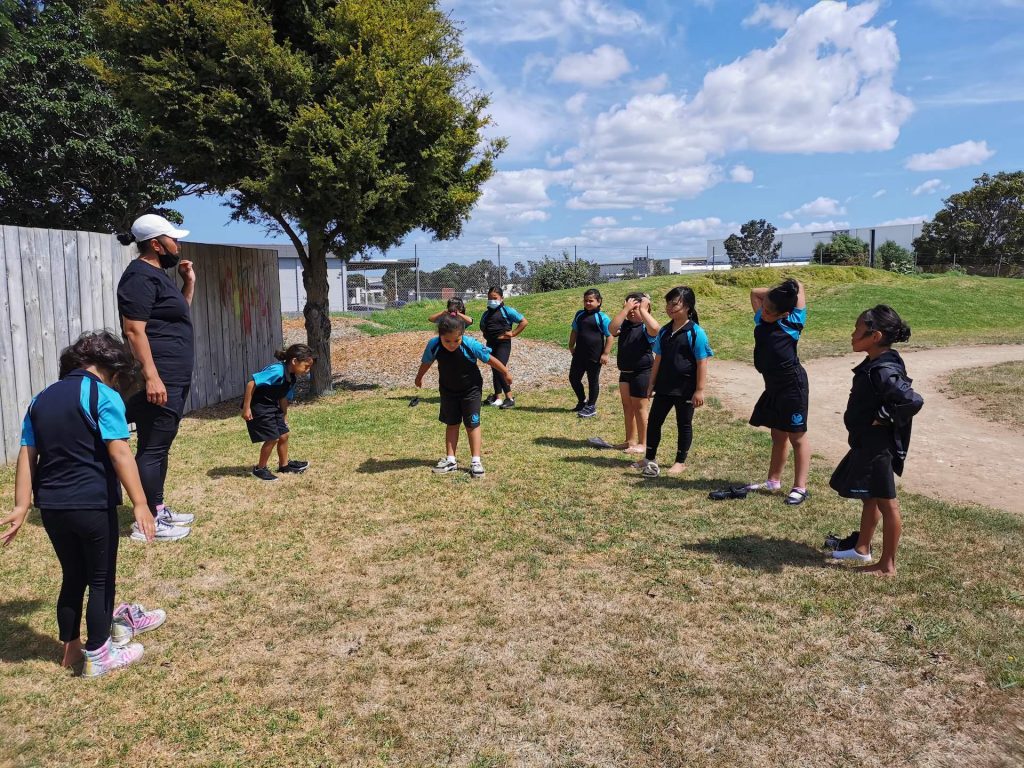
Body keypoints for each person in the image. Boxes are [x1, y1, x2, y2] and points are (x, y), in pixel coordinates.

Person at [0, 332, 166, 677]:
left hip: (52, 508)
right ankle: (100, 655)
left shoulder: (40, 399)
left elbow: (27, 455)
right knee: (101, 579)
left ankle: (72, 649)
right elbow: (120, 452)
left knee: (73, 575)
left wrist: (21, 506)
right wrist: (140, 503)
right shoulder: (102, 394)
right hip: (92, 504)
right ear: (111, 370)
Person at [116, 214, 195, 541]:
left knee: (160, 444)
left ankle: (157, 508)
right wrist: (151, 377)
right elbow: (133, 330)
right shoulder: (138, 277)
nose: (177, 245)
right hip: (160, 375)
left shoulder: (157, 275)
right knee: (152, 446)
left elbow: (177, 315)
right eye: (173, 239)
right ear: (155, 244)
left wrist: (188, 283)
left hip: (173, 374)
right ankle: (146, 521)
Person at [829, 306, 923, 576]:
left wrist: (883, 416)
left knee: (887, 503)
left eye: (857, 329)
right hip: (867, 443)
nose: (852, 334)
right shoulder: (879, 361)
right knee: (869, 497)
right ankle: (862, 547)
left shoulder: (883, 369)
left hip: (878, 447)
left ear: (875, 336)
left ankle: (887, 565)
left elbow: (912, 400)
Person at [415, 315, 512, 479]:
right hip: (448, 391)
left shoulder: (470, 344)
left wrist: (506, 372)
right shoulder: (434, 344)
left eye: (456, 340)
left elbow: (489, 359)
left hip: (471, 390)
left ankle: (476, 462)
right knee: (452, 423)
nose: (452, 344)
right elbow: (427, 362)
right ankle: (451, 460)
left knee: (472, 424)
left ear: (462, 335)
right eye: (447, 341)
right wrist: (419, 377)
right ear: (440, 336)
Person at [746, 278, 811, 505]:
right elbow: (754, 291)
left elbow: (800, 286)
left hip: (792, 386)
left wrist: (791, 291)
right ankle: (773, 481)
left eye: (769, 311)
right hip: (772, 386)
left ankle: (800, 488)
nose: (763, 313)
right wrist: (780, 292)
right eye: (763, 308)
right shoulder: (762, 318)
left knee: (797, 436)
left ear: (784, 313)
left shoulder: (792, 323)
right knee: (778, 434)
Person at [641, 287, 713, 478]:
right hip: (664, 386)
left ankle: (680, 462)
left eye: (675, 304)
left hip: (685, 389)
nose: (669, 308)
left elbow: (702, 362)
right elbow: (658, 358)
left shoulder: (696, 332)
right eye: (668, 304)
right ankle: (649, 458)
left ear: (688, 307)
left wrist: (699, 390)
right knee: (654, 422)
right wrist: (651, 383)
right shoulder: (664, 331)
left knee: (684, 424)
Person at [241, 344, 315, 481]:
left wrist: (284, 416)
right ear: (294, 361)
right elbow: (252, 383)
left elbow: (283, 396)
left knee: (284, 435)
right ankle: (260, 469)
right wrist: (246, 408)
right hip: (259, 405)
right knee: (272, 437)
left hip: (272, 405)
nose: (308, 370)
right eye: (306, 366)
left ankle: (284, 465)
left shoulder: (291, 376)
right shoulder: (277, 370)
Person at [609, 292, 660, 454]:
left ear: (646, 309)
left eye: (635, 308)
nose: (631, 311)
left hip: (642, 373)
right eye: (628, 307)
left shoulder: (646, 326)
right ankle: (630, 440)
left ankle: (643, 443)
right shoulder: (625, 325)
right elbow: (611, 329)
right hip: (625, 372)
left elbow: (656, 329)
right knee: (627, 406)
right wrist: (625, 309)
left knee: (640, 408)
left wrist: (643, 310)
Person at [479, 286, 527, 409]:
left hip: (503, 344)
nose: (492, 301)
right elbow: (483, 326)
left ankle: (509, 398)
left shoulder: (507, 311)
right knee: (494, 369)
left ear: (501, 298)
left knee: (500, 368)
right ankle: (498, 398)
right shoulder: (486, 314)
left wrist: (513, 333)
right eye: (489, 298)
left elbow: (523, 322)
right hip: (490, 344)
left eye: (495, 298)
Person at [569, 288, 613, 418]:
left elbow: (609, 336)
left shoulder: (602, 317)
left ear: (599, 302)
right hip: (579, 354)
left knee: (593, 381)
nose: (587, 303)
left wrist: (605, 354)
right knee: (573, 378)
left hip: (595, 355)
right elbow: (574, 330)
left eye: (591, 301)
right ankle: (582, 401)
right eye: (585, 301)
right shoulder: (579, 315)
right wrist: (571, 345)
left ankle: (591, 406)